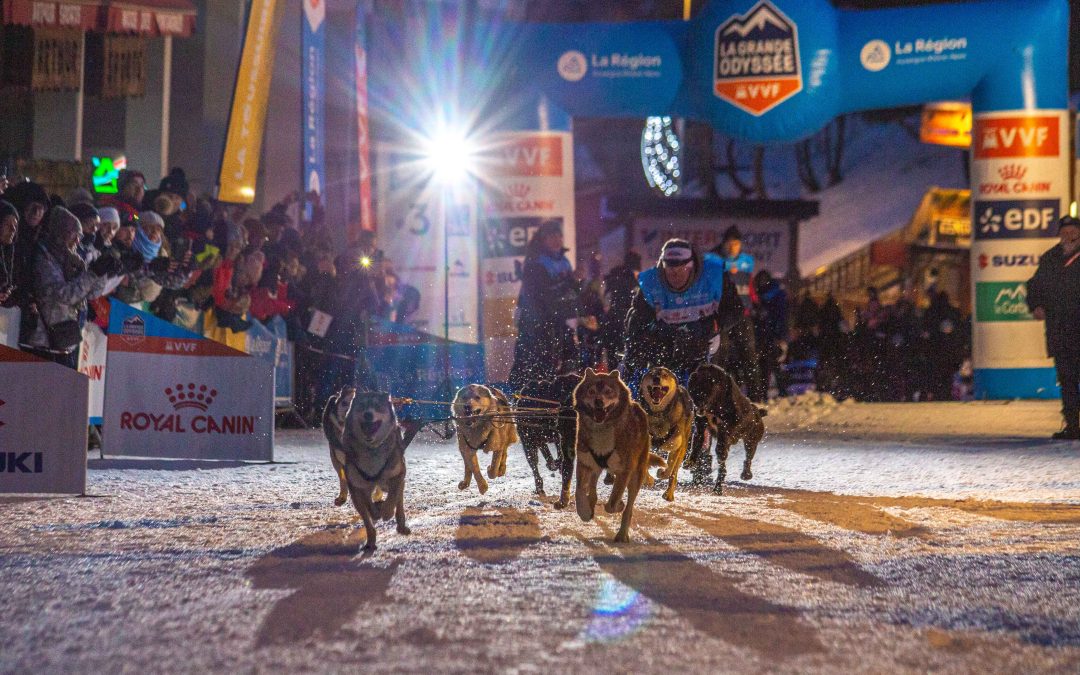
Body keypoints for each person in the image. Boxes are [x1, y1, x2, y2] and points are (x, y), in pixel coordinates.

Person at [625, 238, 743, 378]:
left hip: (705, 339)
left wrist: (714, 325)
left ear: (692, 267)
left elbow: (736, 308)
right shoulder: (651, 283)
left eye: (681, 269)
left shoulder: (713, 276)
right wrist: (638, 349)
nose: (675, 275)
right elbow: (637, 320)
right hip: (667, 341)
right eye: (669, 269)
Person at [21, 207, 120, 368]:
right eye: (73, 235)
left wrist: (103, 273)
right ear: (60, 232)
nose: (77, 241)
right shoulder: (45, 259)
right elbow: (65, 294)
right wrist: (92, 274)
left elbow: (91, 294)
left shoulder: (71, 260)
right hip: (43, 341)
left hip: (64, 340)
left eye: (79, 236)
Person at [508, 220, 581, 389]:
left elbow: (569, 292)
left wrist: (577, 284)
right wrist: (570, 281)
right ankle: (523, 398)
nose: (557, 239)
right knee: (533, 366)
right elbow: (542, 295)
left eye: (559, 235)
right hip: (536, 324)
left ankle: (562, 398)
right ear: (543, 239)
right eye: (552, 236)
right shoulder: (535, 262)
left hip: (560, 322)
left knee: (569, 361)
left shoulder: (563, 260)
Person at [1026, 215, 1080, 439]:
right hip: (1060, 332)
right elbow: (1034, 285)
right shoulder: (1050, 258)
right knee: (1067, 381)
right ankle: (1073, 426)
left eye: (1072, 230)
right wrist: (1035, 305)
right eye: (1064, 231)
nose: (1068, 234)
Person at [711, 226, 762, 398]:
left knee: (749, 354)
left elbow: (749, 285)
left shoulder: (746, 262)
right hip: (721, 315)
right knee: (720, 354)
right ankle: (717, 394)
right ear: (724, 244)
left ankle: (755, 397)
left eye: (737, 244)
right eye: (730, 244)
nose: (733, 247)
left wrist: (756, 303)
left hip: (743, 315)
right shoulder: (713, 260)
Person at [752, 270, 788, 399]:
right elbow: (782, 316)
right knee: (772, 364)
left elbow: (780, 317)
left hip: (768, 334)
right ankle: (779, 391)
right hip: (771, 334)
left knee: (767, 364)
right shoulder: (778, 294)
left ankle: (766, 391)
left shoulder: (763, 298)